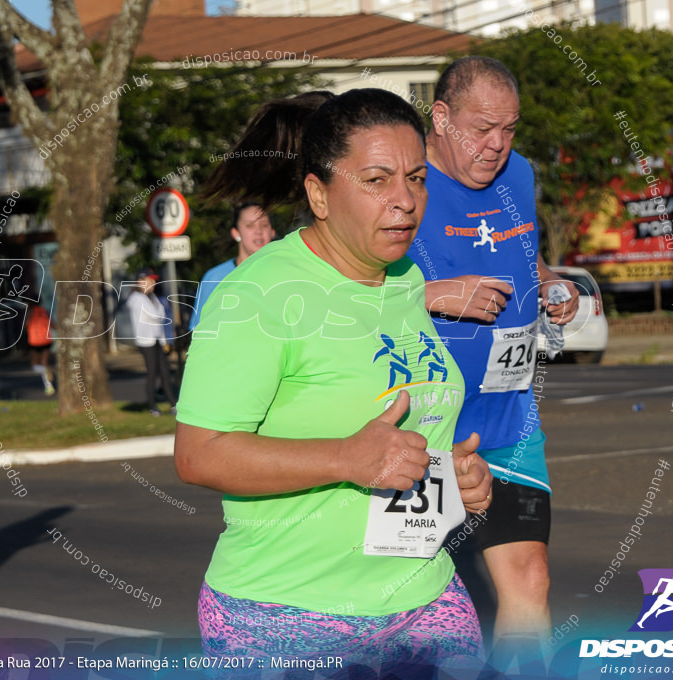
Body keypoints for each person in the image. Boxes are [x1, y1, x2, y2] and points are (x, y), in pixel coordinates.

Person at [175, 89, 493, 675]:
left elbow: (398, 417)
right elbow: (198, 455)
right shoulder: (258, 294)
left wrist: (454, 477)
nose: (405, 201)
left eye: (417, 178)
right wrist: (347, 458)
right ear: (319, 194)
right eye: (377, 180)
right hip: (282, 616)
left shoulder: (404, 279)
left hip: (424, 599)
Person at [405, 56, 579, 654]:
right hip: (423, 426)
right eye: (482, 128)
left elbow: (523, 256)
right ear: (442, 116)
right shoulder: (401, 185)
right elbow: (347, 289)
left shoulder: (520, 176)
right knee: (409, 599)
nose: (497, 145)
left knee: (530, 575)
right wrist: (432, 294)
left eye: (510, 129)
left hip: (510, 418)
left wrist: (553, 284)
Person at [187, 202, 275, 330]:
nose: (258, 231)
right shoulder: (214, 278)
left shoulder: (287, 274)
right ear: (236, 233)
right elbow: (199, 332)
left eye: (264, 225)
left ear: (272, 232)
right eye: (249, 225)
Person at [126, 267, 177, 416]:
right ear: (140, 281)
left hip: (156, 339)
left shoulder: (151, 297)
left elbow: (160, 316)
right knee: (152, 373)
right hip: (146, 341)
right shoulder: (135, 298)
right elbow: (156, 315)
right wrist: (160, 315)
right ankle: (152, 406)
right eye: (150, 280)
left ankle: (173, 404)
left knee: (165, 373)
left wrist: (164, 341)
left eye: (153, 280)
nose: (153, 283)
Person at [26, 304, 55, 395]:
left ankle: (45, 371)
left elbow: (26, 324)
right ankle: (48, 386)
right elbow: (53, 325)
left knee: (34, 366)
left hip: (34, 341)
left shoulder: (30, 312)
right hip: (46, 340)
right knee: (44, 363)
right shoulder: (45, 311)